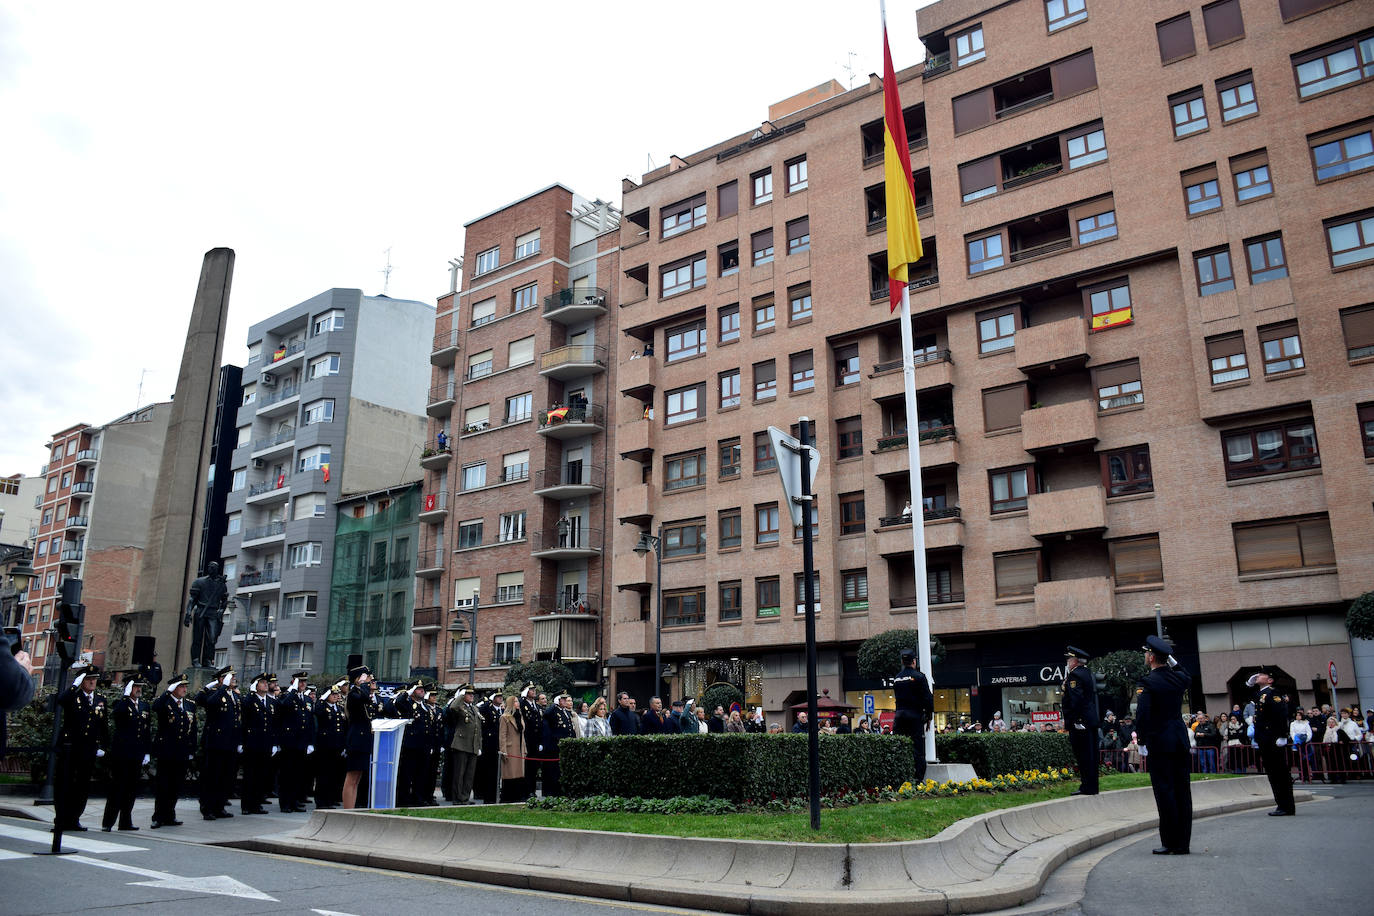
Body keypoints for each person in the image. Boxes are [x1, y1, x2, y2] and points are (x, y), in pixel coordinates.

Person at [1135, 635, 1192, 854]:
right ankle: (1183, 843)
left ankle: (1169, 841)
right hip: (1178, 739)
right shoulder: (1178, 679)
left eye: (1146, 654)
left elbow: (1143, 714)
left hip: (1159, 741)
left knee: (1165, 791)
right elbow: (1185, 674)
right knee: (1182, 791)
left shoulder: (1148, 682)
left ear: (1150, 657)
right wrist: (1171, 659)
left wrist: (1141, 740)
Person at [100, 678, 151, 832]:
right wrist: (125, 696)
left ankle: (125, 821)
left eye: (140, 687)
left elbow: (146, 730)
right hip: (122, 753)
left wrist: (147, 751)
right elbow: (118, 715)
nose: (138, 689)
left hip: (137, 754)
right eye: (135, 686)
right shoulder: (121, 704)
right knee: (117, 788)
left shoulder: (143, 706)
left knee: (131, 790)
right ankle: (108, 822)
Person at [150, 673, 195, 828]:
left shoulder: (189, 704)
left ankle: (170, 815)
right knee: (163, 785)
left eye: (185, 686)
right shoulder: (165, 702)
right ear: (174, 688)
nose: (184, 689)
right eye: (181, 686)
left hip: (182, 751)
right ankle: (158, 816)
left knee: (176, 786)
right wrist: (167, 692)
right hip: (167, 750)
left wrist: (191, 749)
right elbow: (155, 707)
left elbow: (192, 729)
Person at [196, 665, 241, 820]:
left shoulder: (233, 695)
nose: (233, 679)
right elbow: (206, 702)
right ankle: (207, 808)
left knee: (225, 777)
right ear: (222, 678)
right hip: (216, 742)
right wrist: (215, 687)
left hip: (230, 743)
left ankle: (219, 806)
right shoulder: (216, 693)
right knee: (212, 777)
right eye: (230, 677)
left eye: (233, 677)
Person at [1247, 669, 1295, 815]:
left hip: (1273, 738)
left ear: (1270, 680)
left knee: (1279, 773)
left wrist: (1282, 735)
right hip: (1264, 739)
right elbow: (1254, 697)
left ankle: (1286, 806)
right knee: (1272, 773)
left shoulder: (1273, 693)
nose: (1257, 677)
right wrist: (1250, 683)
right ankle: (1281, 804)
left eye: (1261, 675)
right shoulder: (1261, 694)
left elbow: (1281, 714)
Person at [891, 647, 934, 784]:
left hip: (899, 716)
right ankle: (918, 779)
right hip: (914, 717)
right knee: (918, 749)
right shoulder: (919, 677)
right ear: (914, 661)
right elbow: (927, 699)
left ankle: (899, 776)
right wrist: (928, 717)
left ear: (903, 662)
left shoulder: (897, 678)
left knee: (899, 746)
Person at [1062, 645, 1100, 796]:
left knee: (1083, 755)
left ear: (1075, 661)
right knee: (1091, 755)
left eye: (1069, 659)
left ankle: (1086, 787)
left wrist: (1076, 720)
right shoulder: (1087, 673)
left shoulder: (1075, 675)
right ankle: (1092, 786)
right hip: (1089, 720)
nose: (1067, 662)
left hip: (1080, 722)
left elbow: (1076, 700)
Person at [276, 671, 314, 813]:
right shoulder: (288, 696)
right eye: (300, 681)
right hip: (289, 741)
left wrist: (310, 742)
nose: (303, 684)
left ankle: (295, 801)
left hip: (302, 742)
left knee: (298, 774)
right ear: (294, 682)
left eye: (304, 681)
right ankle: (285, 803)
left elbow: (309, 722)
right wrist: (292, 691)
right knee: (287, 774)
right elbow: (283, 706)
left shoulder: (306, 699)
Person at [239, 672, 277, 814]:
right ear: (256, 686)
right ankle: (246, 805)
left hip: (265, 743)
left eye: (266, 683)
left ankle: (256, 804)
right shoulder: (250, 700)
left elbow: (274, 724)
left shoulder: (270, 702)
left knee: (261, 775)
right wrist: (242, 742)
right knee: (250, 775)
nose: (266, 684)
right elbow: (244, 721)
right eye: (262, 682)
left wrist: (274, 743)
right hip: (252, 743)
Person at [183, 562, 229, 668]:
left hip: (213, 613)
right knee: (197, 637)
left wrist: (221, 611)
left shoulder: (221, 585)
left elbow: (224, 601)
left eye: (213, 567)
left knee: (212, 639)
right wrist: (188, 613)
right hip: (201, 611)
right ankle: (195, 659)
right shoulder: (199, 582)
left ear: (217, 569)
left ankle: (207, 660)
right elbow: (192, 600)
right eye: (209, 567)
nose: (211, 569)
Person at [343, 663, 375, 808]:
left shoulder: (361, 694)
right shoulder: (353, 695)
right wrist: (362, 684)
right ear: (358, 679)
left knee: (357, 778)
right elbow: (362, 698)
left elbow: (368, 700)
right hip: (356, 739)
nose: (369, 680)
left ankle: (352, 808)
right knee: (351, 777)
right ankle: (348, 810)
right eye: (367, 677)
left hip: (363, 740)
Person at [313, 680, 347, 809]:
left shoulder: (338, 708)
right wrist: (321, 699)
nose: (336, 696)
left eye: (337, 694)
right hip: (324, 747)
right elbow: (318, 711)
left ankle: (330, 799)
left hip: (336, 747)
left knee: (333, 775)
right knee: (323, 775)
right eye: (333, 694)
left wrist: (343, 745)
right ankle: (321, 801)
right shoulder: (323, 706)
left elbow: (342, 728)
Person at [447, 684, 482, 803]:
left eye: (473, 694)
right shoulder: (460, 706)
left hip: (472, 745)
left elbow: (478, 729)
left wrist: (479, 746)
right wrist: (461, 695)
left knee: (469, 774)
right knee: (459, 773)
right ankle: (457, 797)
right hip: (461, 744)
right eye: (469, 694)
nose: (472, 696)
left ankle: (465, 796)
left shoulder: (474, 708)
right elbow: (453, 707)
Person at [541, 692, 577, 797]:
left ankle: (560, 790)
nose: (565, 701)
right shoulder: (553, 711)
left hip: (565, 745)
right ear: (558, 700)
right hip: (555, 746)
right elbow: (546, 715)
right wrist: (554, 704)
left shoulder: (565, 712)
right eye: (563, 699)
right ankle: (552, 792)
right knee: (553, 771)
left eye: (566, 699)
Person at [498, 694, 528, 801]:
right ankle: (508, 797)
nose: (518, 703)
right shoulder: (504, 718)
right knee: (510, 774)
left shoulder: (519, 716)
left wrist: (524, 749)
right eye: (515, 702)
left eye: (518, 702)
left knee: (519, 773)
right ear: (511, 704)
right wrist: (503, 751)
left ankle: (519, 796)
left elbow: (522, 734)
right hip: (510, 749)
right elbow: (502, 736)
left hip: (520, 748)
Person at [474, 692, 503, 804]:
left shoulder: (501, 709)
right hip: (489, 744)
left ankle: (495, 794)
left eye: (501, 697)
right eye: (498, 696)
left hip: (499, 744)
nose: (500, 698)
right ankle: (488, 796)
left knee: (497, 771)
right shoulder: (486, 709)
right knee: (489, 772)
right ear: (493, 698)